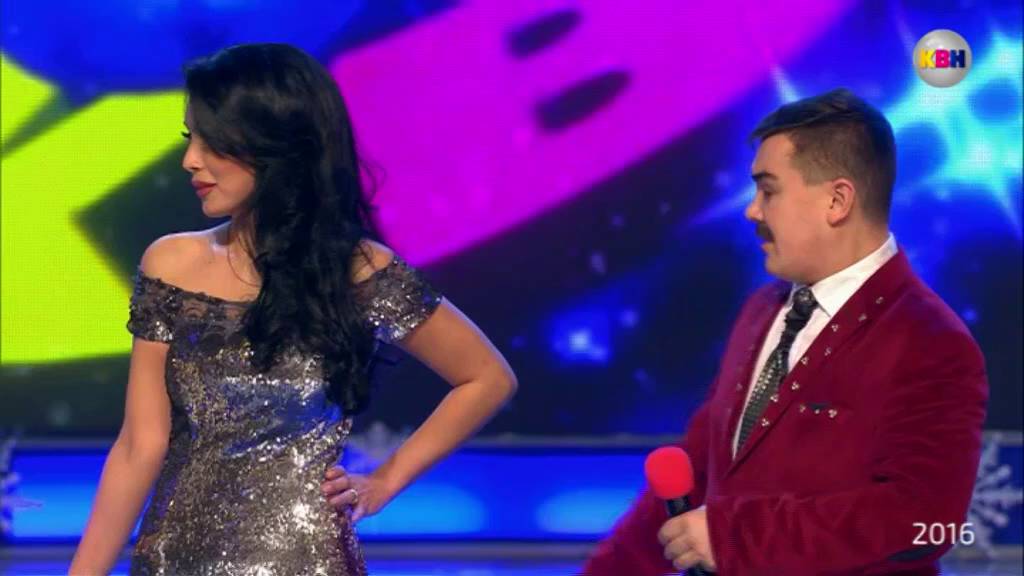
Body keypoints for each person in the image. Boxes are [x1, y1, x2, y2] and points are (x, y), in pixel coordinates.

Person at [69, 43, 517, 576]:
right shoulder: (171, 264)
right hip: (173, 559)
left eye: (213, 142)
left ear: (275, 143)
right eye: (191, 139)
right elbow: (139, 445)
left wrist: (384, 482)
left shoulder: (358, 271)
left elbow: (487, 378)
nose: (190, 160)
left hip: (304, 559)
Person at [580, 89, 988, 575]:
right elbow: (700, 464)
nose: (752, 210)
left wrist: (736, 536)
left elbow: (925, 520)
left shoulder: (929, 341)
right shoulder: (761, 311)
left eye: (768, 191)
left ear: (837, 200)